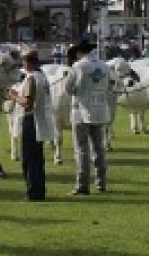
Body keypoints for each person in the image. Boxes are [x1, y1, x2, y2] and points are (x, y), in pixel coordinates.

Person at [6, 48, 56, 200]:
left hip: (31, 120)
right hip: (41, 120)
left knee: (30, 159)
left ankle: (33, 192)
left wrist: (13, 96)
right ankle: (39, 190)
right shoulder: (42, 76)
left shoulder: (31, 79)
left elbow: (27, 102)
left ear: (27, 62)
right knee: (37, 159)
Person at [63, 41, 111, 194]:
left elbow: (69, 88)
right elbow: (108, 86)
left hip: (81, 110)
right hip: (100, 108)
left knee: (82, 149)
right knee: (99, 147)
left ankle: (82, 184)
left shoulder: (78, 66)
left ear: (79, 52)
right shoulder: (104, 65)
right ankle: (101, 182)